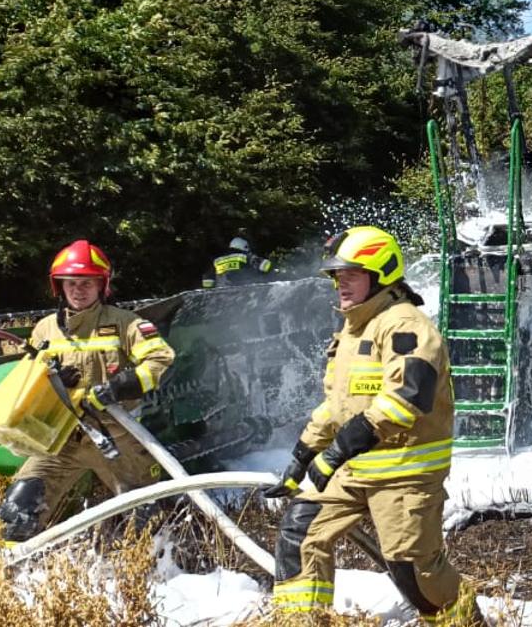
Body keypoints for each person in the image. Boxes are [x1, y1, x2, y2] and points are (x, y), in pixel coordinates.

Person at [262, 226, 481, 624]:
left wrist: (337, 450)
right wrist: (302, 454)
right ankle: (304, 621)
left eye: (351, 275)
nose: (339, 285)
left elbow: (406, 398)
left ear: (380, 275)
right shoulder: (353, 329)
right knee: (301, 530)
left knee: (414, 573)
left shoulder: (405, 326)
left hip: (404, 473)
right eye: (336, 277)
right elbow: (339, 405)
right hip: (358, 469)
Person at [0, 240, 177, 543]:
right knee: (20, 505)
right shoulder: (45, 330)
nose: (79, 290)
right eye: (71, 283)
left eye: (87, 283)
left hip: (117, 439)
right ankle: (8, 575)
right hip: (63, 440)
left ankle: (162, 578)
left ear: (101, 285)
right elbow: (29, 377)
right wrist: (52, 381)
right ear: (60, 287)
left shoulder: (126, 323)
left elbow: (161, 358)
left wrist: (122, 385)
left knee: (147, 520)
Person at [201, 236, 274, 289]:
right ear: (244, 247)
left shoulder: (217, 261)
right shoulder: (244, 256)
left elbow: (207, 282)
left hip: (222, 297)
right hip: (244, 293)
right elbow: (265, 266)